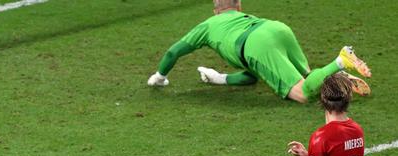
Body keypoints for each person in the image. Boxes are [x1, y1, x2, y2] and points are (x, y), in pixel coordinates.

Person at [147, 0, 372, 103]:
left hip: (256, 44)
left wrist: (159, 77)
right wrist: (220, 79)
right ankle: (336, 77)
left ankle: (340, 62)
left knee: (303, 94)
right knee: (308, 78)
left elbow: (172, 52)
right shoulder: (243, 17)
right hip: (276, 28)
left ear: (215, 9)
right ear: (239, 6)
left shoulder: (207, 25)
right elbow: (253, 76)